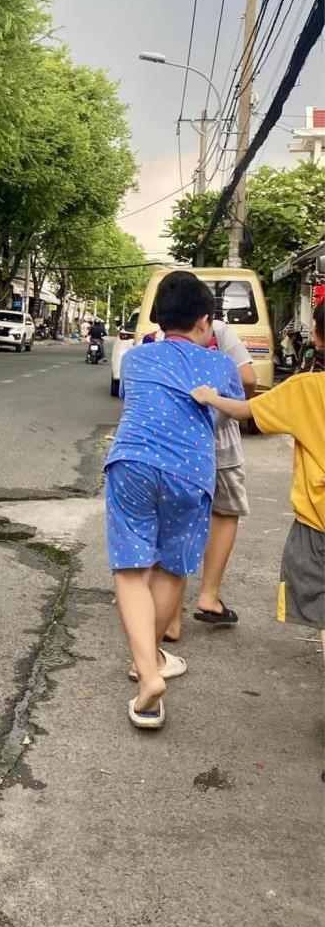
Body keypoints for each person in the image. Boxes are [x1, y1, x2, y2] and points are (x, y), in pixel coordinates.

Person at [105, 271, 245, 730]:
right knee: (169, 568)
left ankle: (149, 673)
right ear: (205, 321)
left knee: (132, 571)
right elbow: (231, 415)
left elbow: (135, 399)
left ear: (160, 320)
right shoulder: (220, 365)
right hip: (190, 474)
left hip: (131, 464)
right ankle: (148, 661)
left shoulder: (137, 358)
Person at [191, 299, 324, 662]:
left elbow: (246, 410)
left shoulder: (306, 388)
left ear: (316, 336)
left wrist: (211, 397)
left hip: (318, 522)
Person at [150, 318, 258, 640]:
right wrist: (230, 404)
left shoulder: (158, 339)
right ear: (204, 318)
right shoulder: (220, 332)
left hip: (177, 446)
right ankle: (209, 596)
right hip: (221, 447)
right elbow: (248, 379)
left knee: (177, 519)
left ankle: (171, 620)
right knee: (225, 512)